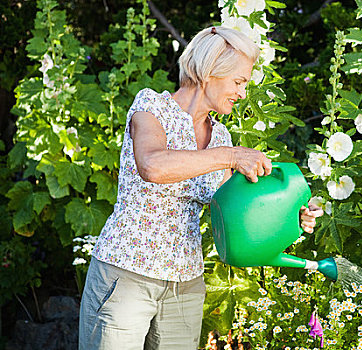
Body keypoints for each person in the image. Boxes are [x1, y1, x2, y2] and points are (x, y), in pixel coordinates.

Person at [78, 26, 323, 350]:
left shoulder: (221, 137)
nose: (242, 92)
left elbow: (240, 212)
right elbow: (153, 165)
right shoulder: (152, 107)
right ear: (211, 71)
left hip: (186, 284)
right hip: (126, 275)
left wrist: (293, 216)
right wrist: (230, 156)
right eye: (239, 81)